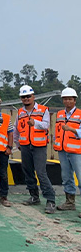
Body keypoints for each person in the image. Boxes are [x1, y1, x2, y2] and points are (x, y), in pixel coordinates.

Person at [15, 85, 56, 214]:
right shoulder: (20, 112)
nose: (26, 99)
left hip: (39, 146)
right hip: (25, 146)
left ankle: (50, 200)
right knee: (28, 171)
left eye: (28, 96)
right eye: (23, 97)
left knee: (41, 173)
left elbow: (46, 125)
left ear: (33, 97)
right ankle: (34, 196)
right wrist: (18, 144)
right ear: (21, 99)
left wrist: (35, 123)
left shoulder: (43, 110)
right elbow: (17, 130)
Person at [54, 87, 81, 217]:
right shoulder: (59, 114)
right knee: (66, 177)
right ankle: (70, 202)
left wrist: (72, 129)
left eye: (70, 99)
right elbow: (57, 131)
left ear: (75, 100)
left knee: (80, 178)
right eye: (65, 99)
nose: (67, 101)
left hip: (77, 152)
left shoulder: (80, 114)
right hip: (63, 150)